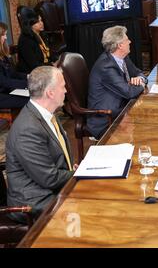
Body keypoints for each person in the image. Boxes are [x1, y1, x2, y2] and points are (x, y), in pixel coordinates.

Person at [6, 66, 75, 224]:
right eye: (63, 86)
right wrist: (80, 173)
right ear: (50, 93)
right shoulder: (27, 129)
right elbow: (49, 179)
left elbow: (56, 156)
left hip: (48, 190)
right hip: (34, 202)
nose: (66, 90)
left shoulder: (47, 114)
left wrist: (72, 170)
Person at [87, 26, 147, 139]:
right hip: (106, 119)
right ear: (120, 45)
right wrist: (142, 85)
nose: (130, 41)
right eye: (127, 40)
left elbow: (139, 73)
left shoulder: (123, 58)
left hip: (121, 110)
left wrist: (140, 79)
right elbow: (128, 92)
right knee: (143, 129)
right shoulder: (106, 66)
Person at [17, 10, 57, 74]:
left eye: (41, 20)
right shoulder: (25, 40)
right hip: (31, 73)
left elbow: (50, 53)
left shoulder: (42, 34)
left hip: (45, 67)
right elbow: (34, 65)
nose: (41, 23)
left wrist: (57, 61)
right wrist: (51, 65)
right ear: (29, 24)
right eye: (37, 22)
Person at [0, 22, 29, 109]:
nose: (6, 37)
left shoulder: (3, 55)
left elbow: (12, 74)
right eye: (3, 35)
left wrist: (28, 77)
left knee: (35, 96)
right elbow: (4, 82)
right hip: (2, 95)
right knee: (32, 100)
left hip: (6, 91)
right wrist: (28, 84)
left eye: (6, 34)